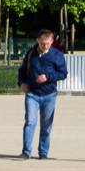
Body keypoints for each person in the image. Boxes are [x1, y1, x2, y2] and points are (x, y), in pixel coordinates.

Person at [20, 28, 67, 159]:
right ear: (38, 41)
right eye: (42, 43)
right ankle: (26, 152)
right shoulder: (31, 53)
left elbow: (63, 74)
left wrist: (48, 76)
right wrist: (22, 83)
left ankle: (43, 153)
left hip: (49, 95)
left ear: (52, 41)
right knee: (30, 122)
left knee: (46, 126)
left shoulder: (57, 55)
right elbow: (22, 70)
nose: (45, 46)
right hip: (32, 94)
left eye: (47, 43)